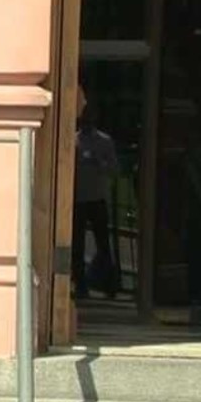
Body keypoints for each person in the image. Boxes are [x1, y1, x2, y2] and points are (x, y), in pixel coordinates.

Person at [72, 91, 119, 299]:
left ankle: (109, 285)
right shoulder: (73, 141)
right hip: (78, 199)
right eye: (84, 116)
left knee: (103, 244)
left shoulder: (104, 142)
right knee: (77, 245)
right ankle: (80, 285)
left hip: (97, 198)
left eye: (90, 116)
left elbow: (114, 169)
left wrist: (100, 163)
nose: (87, 120)